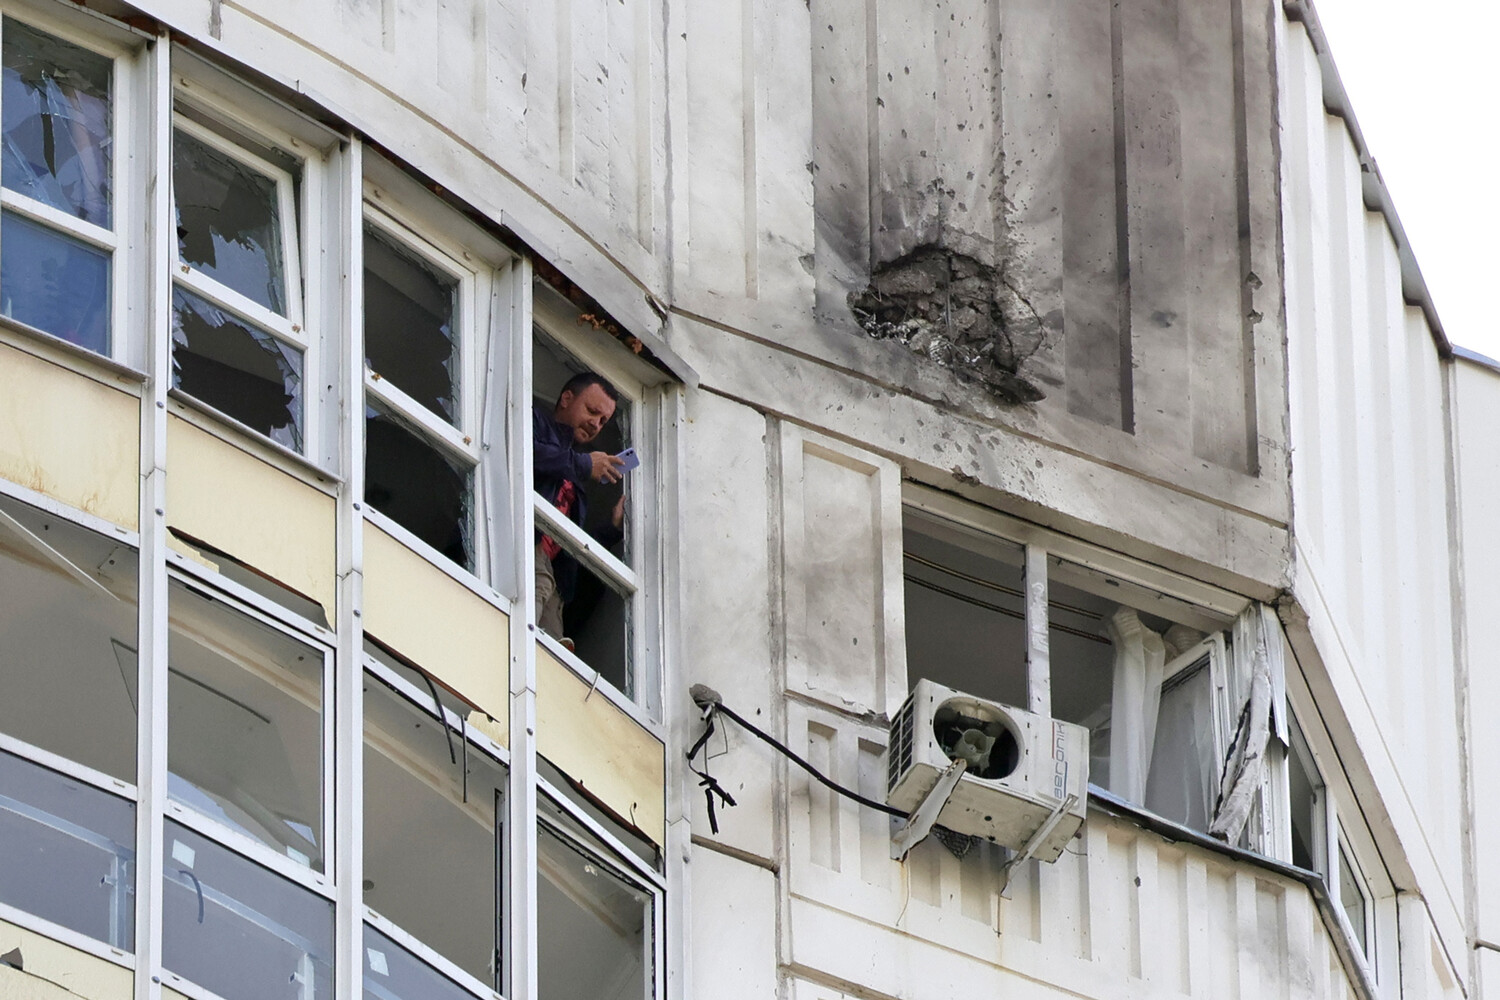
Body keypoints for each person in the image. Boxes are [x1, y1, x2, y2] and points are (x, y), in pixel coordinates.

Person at [533, 371, 626, 643]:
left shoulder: (576, 477)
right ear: (566, 398)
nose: (596, 424)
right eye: (592, 411)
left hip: (551, 575)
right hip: (521, 547)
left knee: (554, 648)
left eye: (603, 421)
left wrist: (612, 528)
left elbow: (569, 544)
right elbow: (519, 454)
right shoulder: (533, 421)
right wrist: (584, 465)